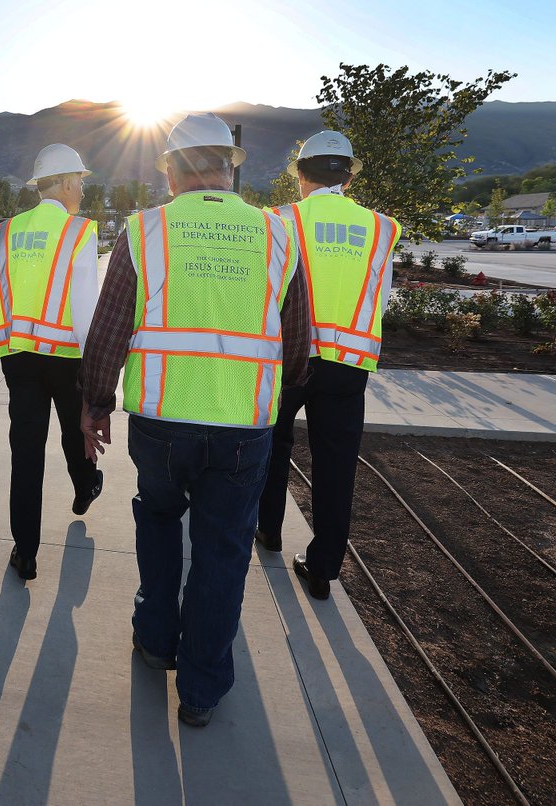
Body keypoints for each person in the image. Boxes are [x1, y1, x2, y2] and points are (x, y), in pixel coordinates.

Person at [80, 113, 310, 727]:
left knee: (158, 521)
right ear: (229, 166)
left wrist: (95, 406)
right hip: (242, 428)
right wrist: (270, 404)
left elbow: (108, 331)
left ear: (172, 169)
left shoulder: (146, 230)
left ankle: (157, 641)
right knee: (223, 552)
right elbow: (296, 344)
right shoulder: (278, 233)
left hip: (159, 421)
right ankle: (202, 690)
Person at [255, 131, 401, 600]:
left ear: (301, 175)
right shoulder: (381, 227)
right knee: (336, 466)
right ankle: (323, 570)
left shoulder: (277, 220)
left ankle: (270, 530)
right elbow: (380, 297)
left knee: (272, 447)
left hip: (286, 356)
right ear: (347, 177)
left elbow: (264, 291)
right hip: (348, 364)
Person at [0, 144, 103, 581]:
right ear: (66, 182)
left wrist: (5, 336)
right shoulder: (77, 232)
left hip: (19, 358)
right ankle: (85, 486)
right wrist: (95, 369)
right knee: (75, 428)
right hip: (66, 357)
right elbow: (85, 305)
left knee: (26, 451)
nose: (83, 191)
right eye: (81, 182)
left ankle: (25, 551)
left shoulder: (7, 232)